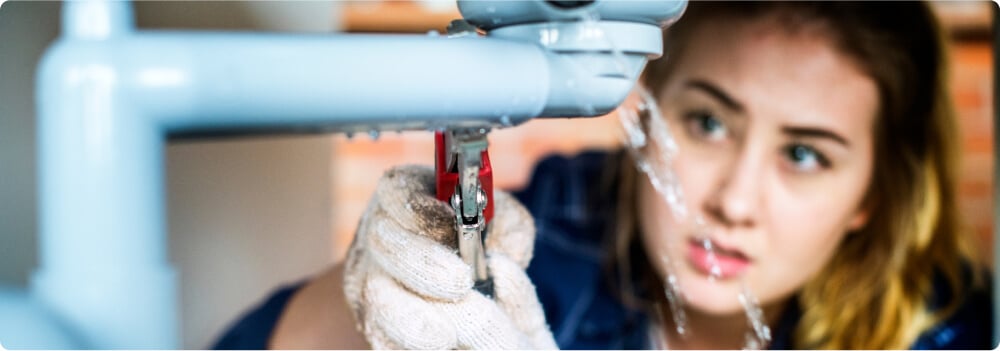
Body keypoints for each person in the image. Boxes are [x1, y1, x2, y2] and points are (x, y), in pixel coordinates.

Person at [212, 1, 994, 349]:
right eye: (709, 122)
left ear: (873, 196)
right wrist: (366, 296)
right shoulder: (563, 222)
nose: (731, 200)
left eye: (804, 154)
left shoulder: (954, 329)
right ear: (647, 108)